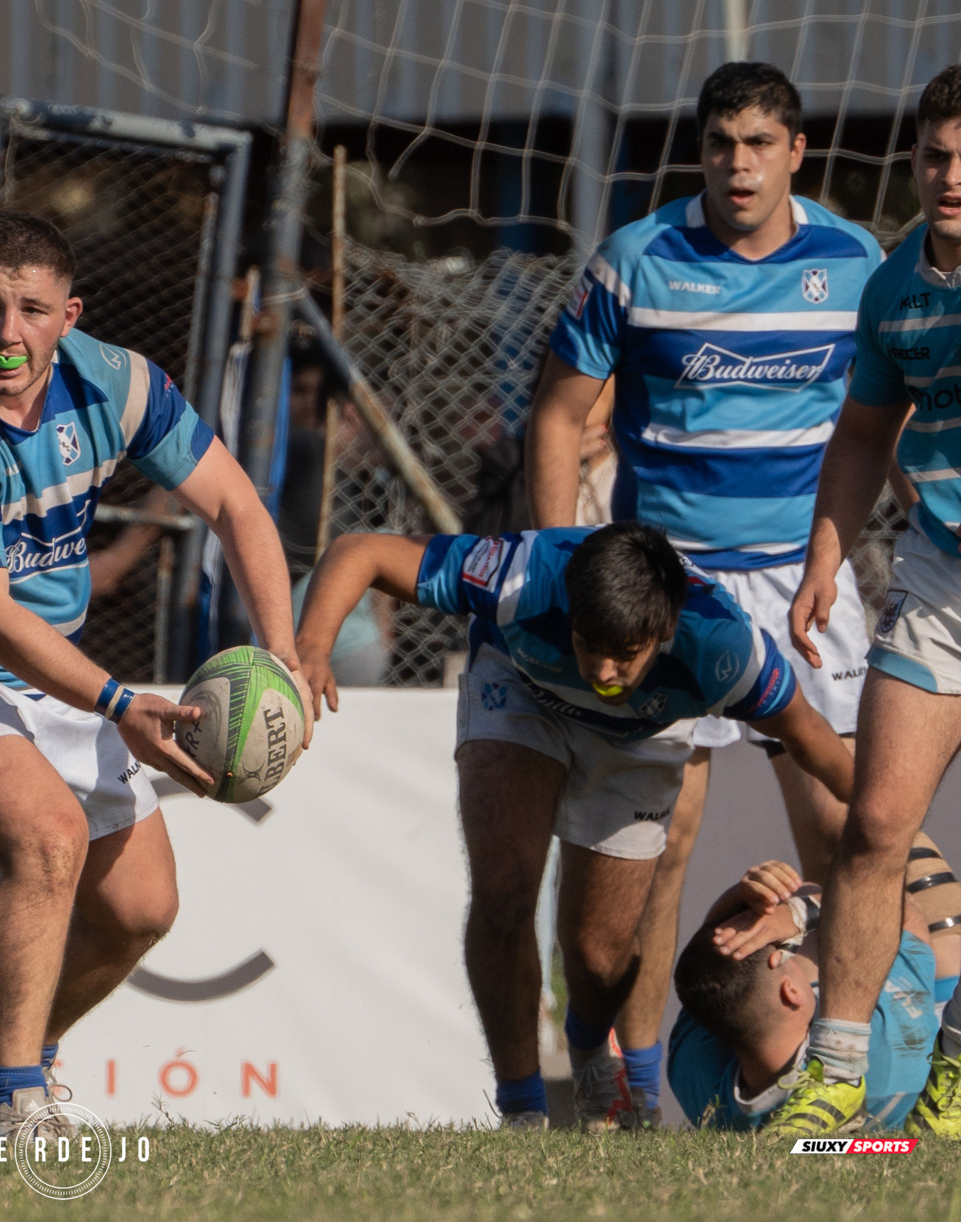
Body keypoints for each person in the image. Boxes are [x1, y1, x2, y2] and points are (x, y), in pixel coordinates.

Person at [0, 211, 310, 1138]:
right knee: (47, 837)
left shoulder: (119, 383)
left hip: (42, 669)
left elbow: (237, 506)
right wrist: (119, 702)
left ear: (69, 316)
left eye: (33, 311)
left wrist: (279, 655)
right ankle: (13, 1108)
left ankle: (4, 1054)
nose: (8, 334)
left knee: (139, 908)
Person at [524, 63, 882, 1123]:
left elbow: (887, 417)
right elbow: (559, 415)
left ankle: (845, 1083)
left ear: (798, 152)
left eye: (761, 143)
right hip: (666, 592)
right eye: (722, 143)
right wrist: (562, 562)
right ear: (700, 151)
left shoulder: (857, 263)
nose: (740, 164)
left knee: (847, 835)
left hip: (805, 583)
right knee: (660, 845)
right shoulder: (636, 260)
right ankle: (637, 1091)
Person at [295, 522, 855, 1130]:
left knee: (598, 955)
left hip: (642, 737)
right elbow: (363, 550)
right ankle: (522, 1111)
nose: (603, 670)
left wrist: (879, 825)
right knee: (504, 892)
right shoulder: (522, 576)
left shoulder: (724, 648)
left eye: (626, 653)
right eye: (588, 644)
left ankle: (590, 1045)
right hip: (520, 695)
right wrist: (314, 647)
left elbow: (810, 737)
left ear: (666, 631)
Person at [781, 64, 961, 1136]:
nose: (953, 177)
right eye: (938, 156)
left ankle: (958, 1067)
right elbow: (860, 436)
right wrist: (824, 560)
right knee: (879, 819)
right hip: (942, 574)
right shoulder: (895, 287)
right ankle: (837, 1074)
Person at [669, 839, 961, 1131]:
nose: (793, 950)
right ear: (791, 992)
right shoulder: (883, 1051)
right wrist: (799, 912)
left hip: (890, 1078)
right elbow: (899, 908)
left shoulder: (692, 1070)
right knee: (879, 834)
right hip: (936, 1015)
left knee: (839, 855)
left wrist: (743, 895)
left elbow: (704, 966)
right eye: (787, 952)